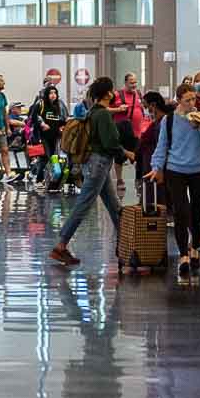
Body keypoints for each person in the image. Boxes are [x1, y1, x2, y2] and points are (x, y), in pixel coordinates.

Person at [48, 78, 129, 267]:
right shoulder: (103, 115)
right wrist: (126, 154)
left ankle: (125, 243)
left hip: (95, 164)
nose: (115, 93)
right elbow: (110, 143)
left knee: (114, 206)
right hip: (99, 164)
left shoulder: (93, 112)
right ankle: (61, 246)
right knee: (83, 205)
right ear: (108, 93)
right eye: (112, 90)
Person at [146, 89, 200, 280]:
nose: (191, 103)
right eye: (187, 100)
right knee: (181, 212)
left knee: (196, 211)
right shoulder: (169, 121)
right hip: (175, 169)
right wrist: (156, 166)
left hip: (199, 169)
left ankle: (194, 247)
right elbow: (162, 145)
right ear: (178, 100)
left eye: (193, 99)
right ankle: (183, 255)